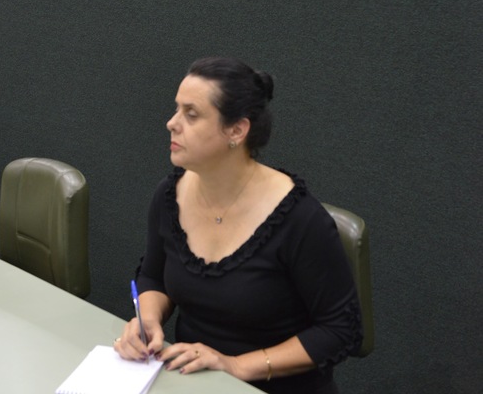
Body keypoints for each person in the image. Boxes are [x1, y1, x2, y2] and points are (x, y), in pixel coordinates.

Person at [114, 57, 363, 394]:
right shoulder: (170, 195)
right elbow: (154, 276)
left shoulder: (301, 219)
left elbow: (340, 330)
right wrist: (147, 319)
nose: (171, 123)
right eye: (176, 110)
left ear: (236, 131)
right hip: (196, 382)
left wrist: (235, 366)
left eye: (191, 114)